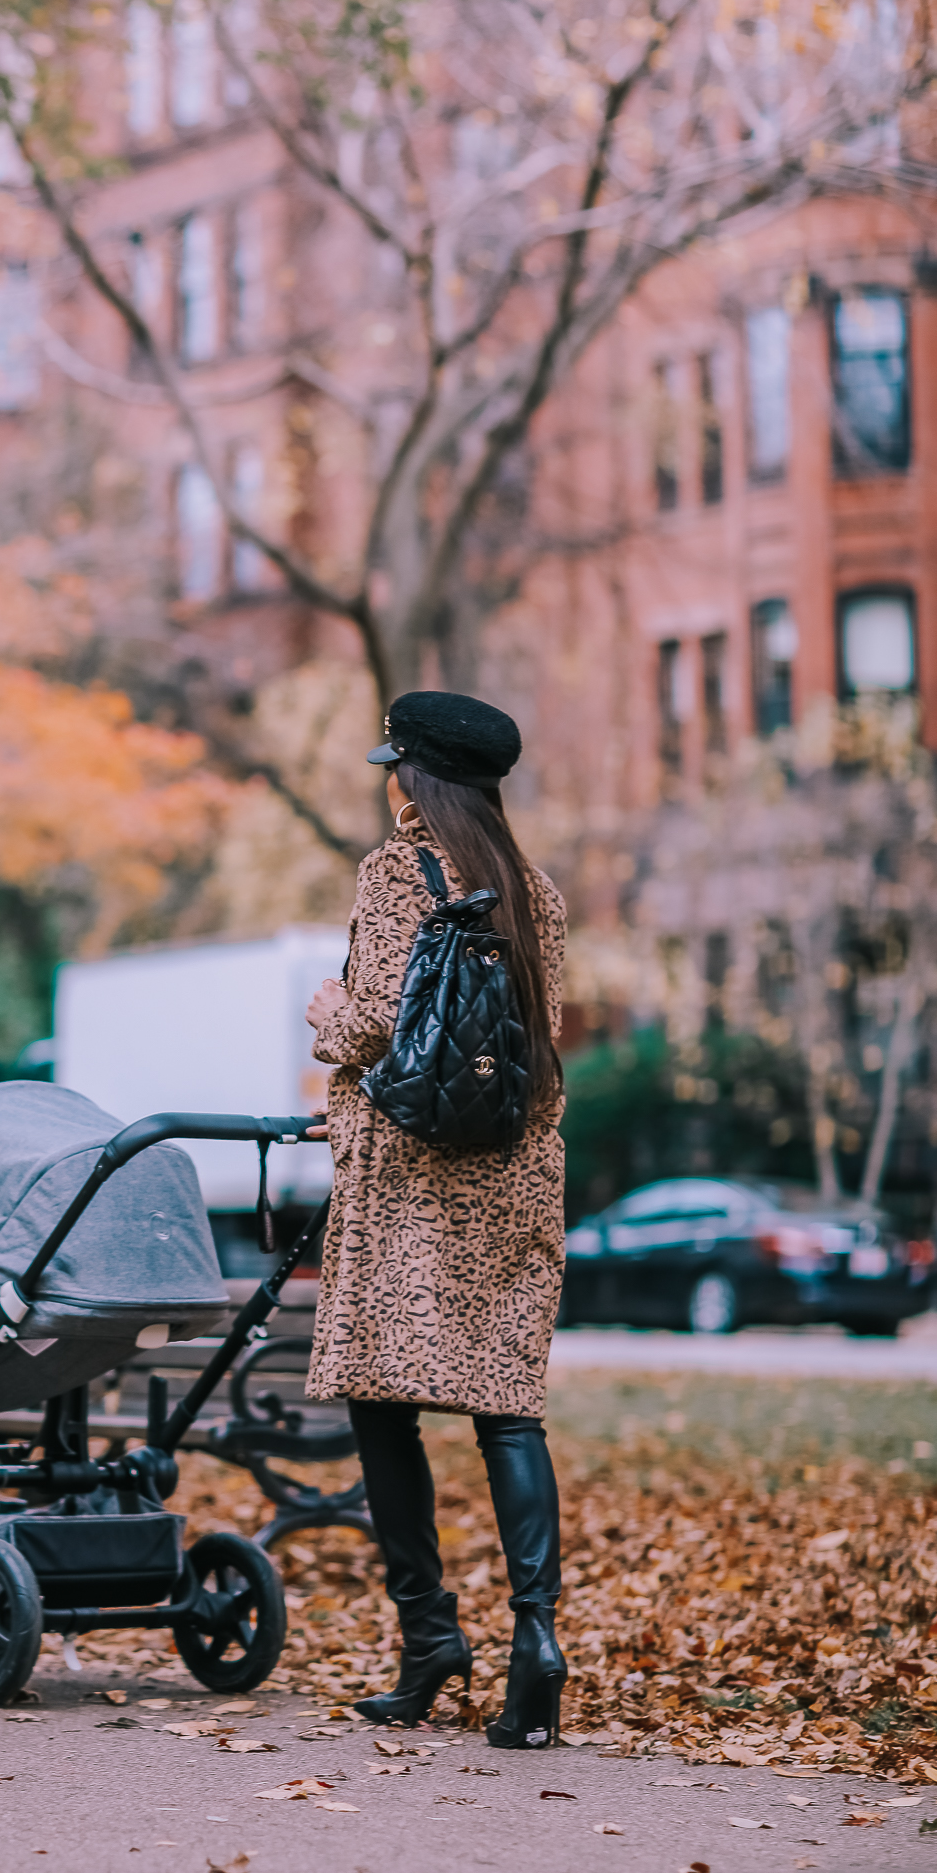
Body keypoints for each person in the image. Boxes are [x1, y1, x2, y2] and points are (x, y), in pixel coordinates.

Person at [304, 690, 569, 1748]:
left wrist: (326, 1016)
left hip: (410, 1174)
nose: (385, 782)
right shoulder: (533, 891)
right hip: (511, 1167)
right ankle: (536, 1642)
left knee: (381, 1397)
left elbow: (373, 1024)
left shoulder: (390, 874)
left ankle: (428, 1638)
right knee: (508, 1408)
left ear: (416, 782)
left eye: (393, 767)